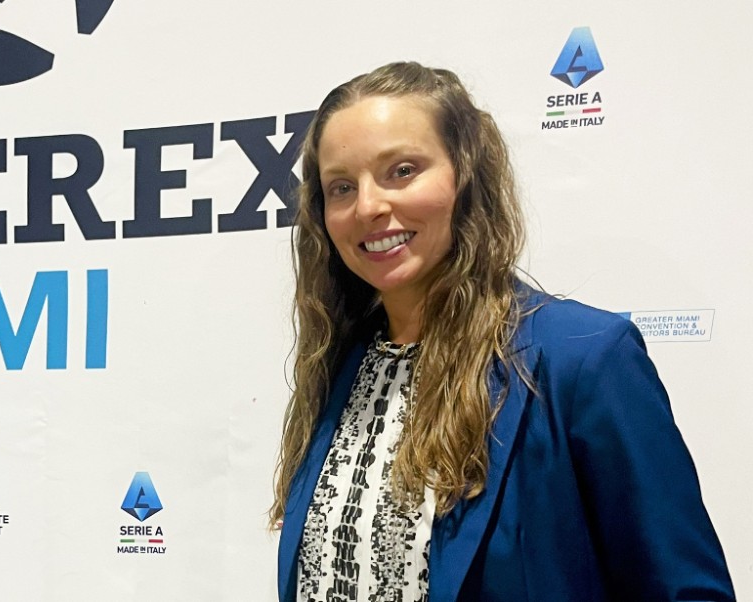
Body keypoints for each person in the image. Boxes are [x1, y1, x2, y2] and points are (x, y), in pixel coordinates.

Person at [270, 62, 733, 601]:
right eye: (341, 187)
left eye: (402, 170)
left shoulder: (582, 361)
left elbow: (687, 590)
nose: (369, 206)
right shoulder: (339, 368)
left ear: (464, 174)